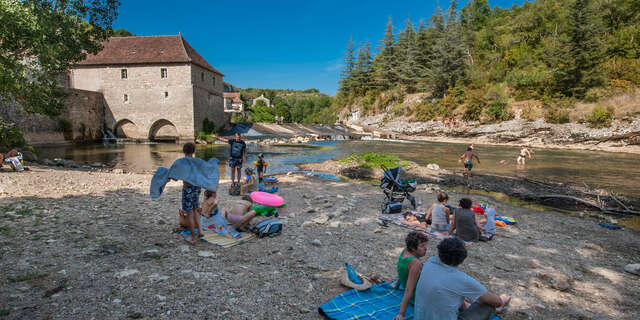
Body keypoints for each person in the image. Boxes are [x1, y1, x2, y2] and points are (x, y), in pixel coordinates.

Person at [414, 238, 511, 320]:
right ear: (462, 259)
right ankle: (495, 310)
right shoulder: (462, 279)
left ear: (439, 253)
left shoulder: (430, 262)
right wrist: (500, 301)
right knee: (488, 305)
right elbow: (496, 302)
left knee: (453, 295)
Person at [393, 232, 429, 320]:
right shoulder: (415, 263)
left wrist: (396, 286)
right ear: (413, 248)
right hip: (418, 299)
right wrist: (401, 314)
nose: (426, 248)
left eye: (425, 245)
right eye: (422, 246)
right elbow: (409, 290)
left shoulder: (405, 251)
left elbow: (402, 271)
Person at [179, 143, 203, 244]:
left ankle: (193, 237)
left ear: (184, 151)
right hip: (197, 188)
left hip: (188, 188)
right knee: (195, 209)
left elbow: (177, 177)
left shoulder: (182, 163)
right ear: (193, 151)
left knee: (189, 213)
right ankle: (200, 231)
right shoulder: (197, 162)